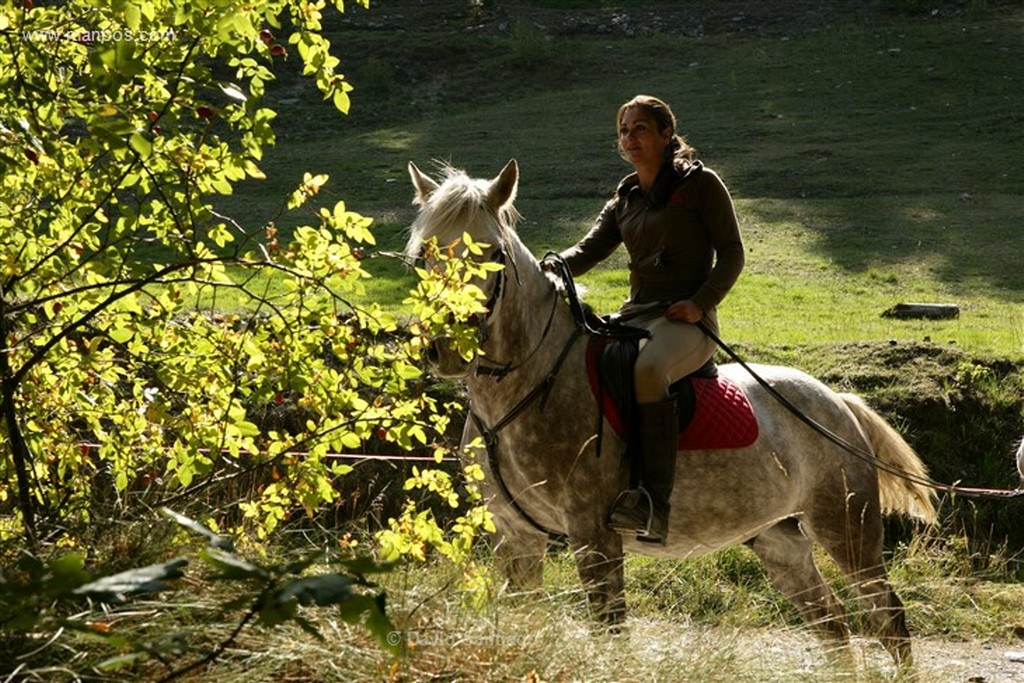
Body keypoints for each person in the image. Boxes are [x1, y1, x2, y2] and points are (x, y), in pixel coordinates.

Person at [552, 94, 745, 544]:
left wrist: (700, 302)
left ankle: (653, 503)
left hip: (689, 321)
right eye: (623, 130)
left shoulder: (702, 185)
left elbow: (733, 254)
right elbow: (585, 252)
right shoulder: (625, 198)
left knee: (649, 369)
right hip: (636, 316)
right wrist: (537, 267)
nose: (629, 137)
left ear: (665, 134)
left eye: (639, 128)